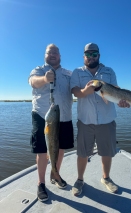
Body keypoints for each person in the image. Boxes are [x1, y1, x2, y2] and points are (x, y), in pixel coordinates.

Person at [70, 43, 130, 196]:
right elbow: (76, 92)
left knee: (107, 152)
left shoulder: (109, 72)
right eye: (88, 54)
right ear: (84, 56)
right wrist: (86, 90)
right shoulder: (77, 72)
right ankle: (80, 180)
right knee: (82, 153)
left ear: (99, 55)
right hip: (85, 121)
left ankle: (106, 178)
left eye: (94, 54)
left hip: (107, 120)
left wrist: (122, 102)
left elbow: (116, 92)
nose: (91, 57)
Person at [29, 44, 74, 202]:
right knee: (42, 151)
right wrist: (44, 79)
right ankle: (41, 183)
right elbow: (33, 82)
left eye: (56, 52)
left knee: (60, 149)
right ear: (45, 55)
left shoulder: (69, 73)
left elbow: (77, 89)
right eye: (50, 52)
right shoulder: (39, 70)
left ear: (60, 56)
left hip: (64, 116)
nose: (53, 54)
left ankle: (55, 174)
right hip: (43, 117)